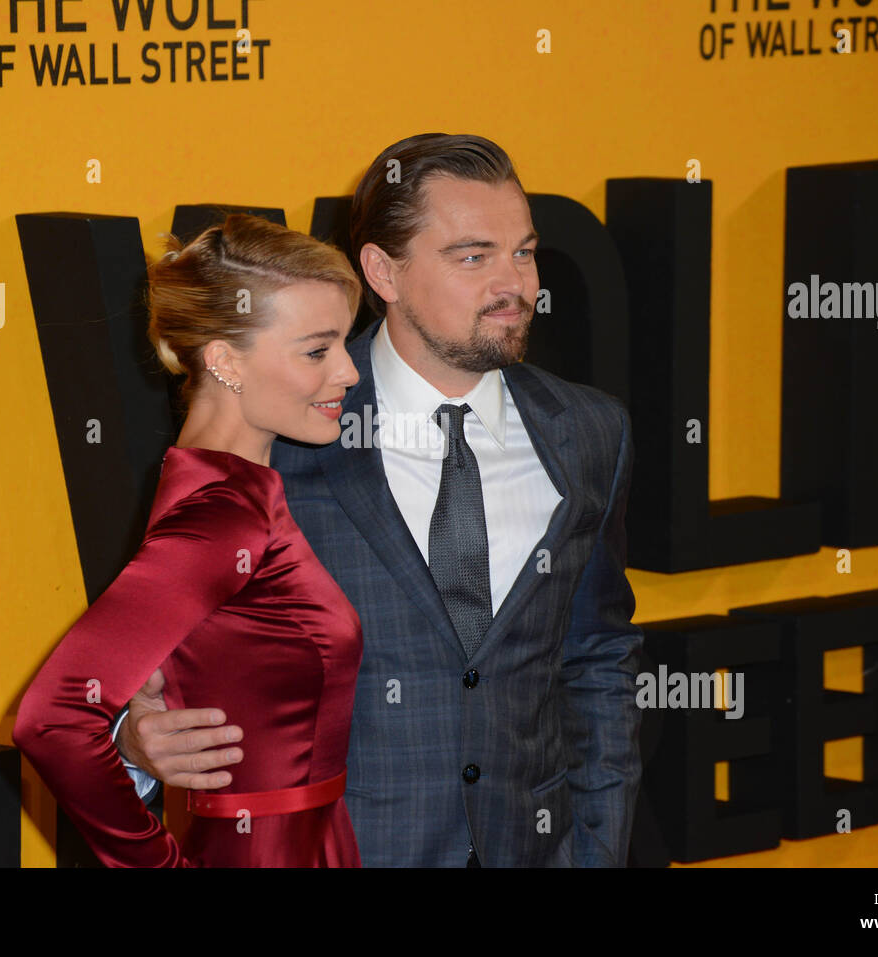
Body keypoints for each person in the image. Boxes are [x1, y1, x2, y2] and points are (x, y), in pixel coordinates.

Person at [117, 133, 644, 867]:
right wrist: (135, 736)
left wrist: (597, 846)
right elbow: (143, 665)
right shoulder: (278, 428)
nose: (515, 283)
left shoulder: (590, 431)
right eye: (473, 255)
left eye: (523, 252)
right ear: (382, 272)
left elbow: (596, 655)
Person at [12, 214, 365, 867]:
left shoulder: (234, 491)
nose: (348, 371)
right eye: (317, 350)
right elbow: (53, 718)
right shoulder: (224, 513)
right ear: (226, 361)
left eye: (344, 343)